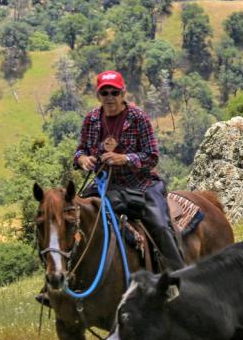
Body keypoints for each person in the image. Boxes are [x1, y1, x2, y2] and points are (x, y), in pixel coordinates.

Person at [73, 70, 185, 272]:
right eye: (104, 93)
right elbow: (80, 150)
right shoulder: (91, 119)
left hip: (141, 185)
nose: (109, 98)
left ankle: (177, 277)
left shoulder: (137, 117)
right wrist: (82, 159)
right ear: (98, 96)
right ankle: (62, 281)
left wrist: (124, 159)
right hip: (103, 186)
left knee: (159, 226)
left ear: (123, 93)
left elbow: (152, 156)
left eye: (114, 92)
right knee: (71, 218)